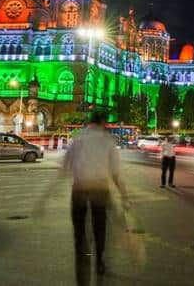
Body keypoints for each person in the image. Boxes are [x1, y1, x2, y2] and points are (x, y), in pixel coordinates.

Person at [61, 112, 129, 278]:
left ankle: (81, 256)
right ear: (103, 122)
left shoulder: (77, 138)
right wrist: (124, 195)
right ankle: (99, 261)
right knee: (99, 227)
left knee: (79, 228)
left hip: (79, 189)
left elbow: (65, 166)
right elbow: (115, 173)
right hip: (99, 189)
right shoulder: (107, 140)